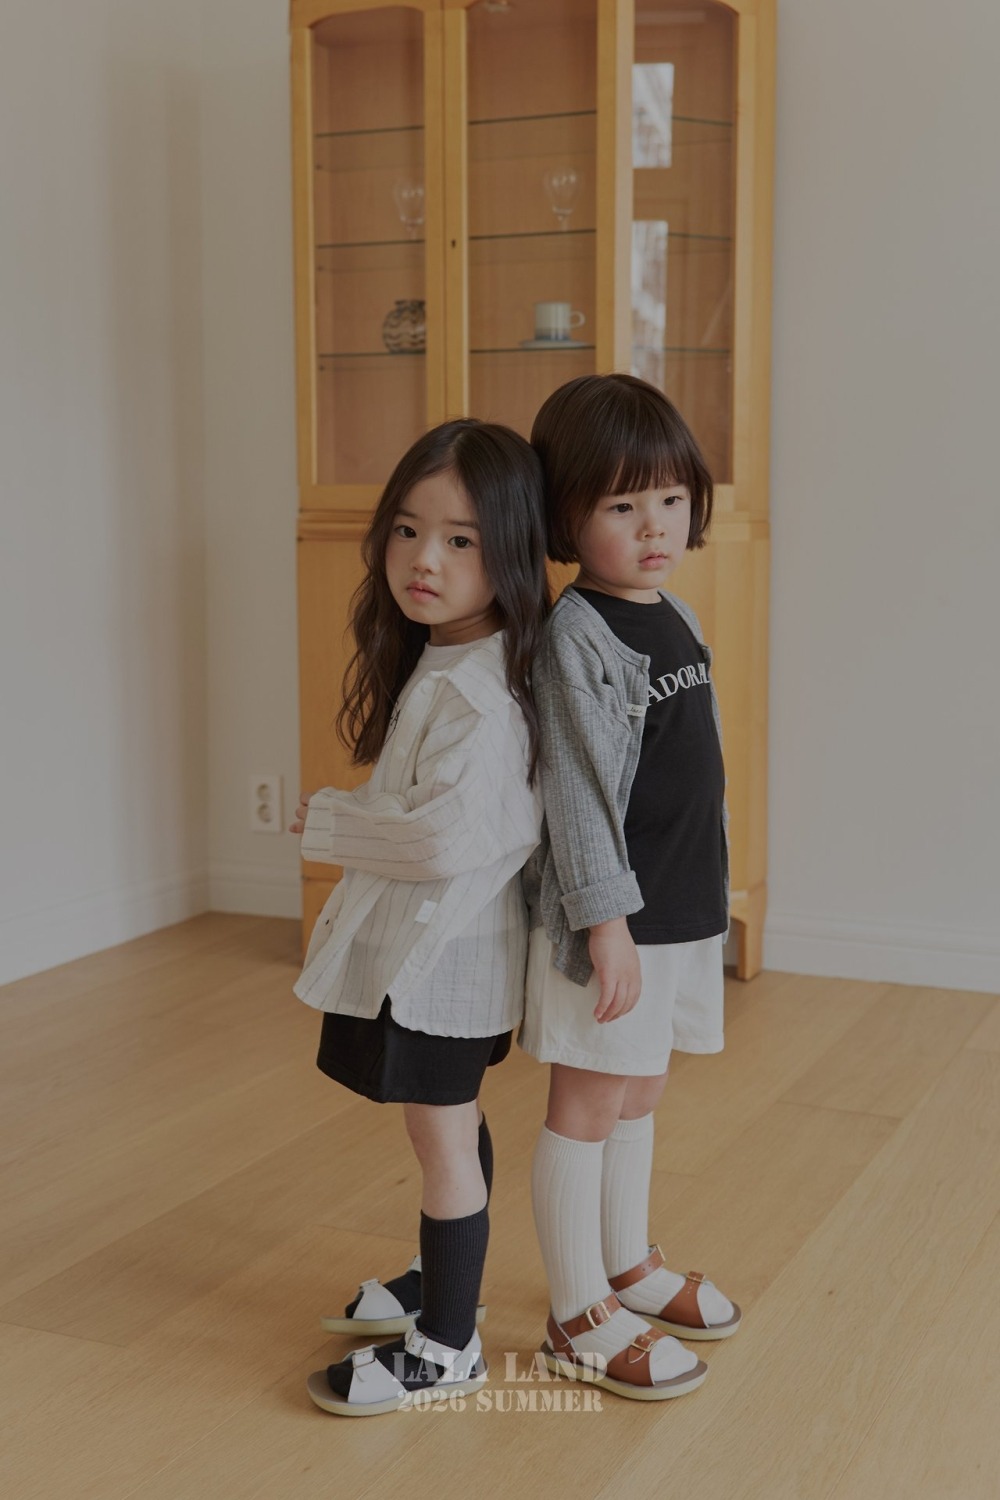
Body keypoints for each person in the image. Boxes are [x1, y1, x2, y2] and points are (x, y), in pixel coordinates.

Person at [290, 419, 549, 1416]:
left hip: (447, 960)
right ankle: (445, 1280)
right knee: (448, 1122)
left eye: (460, 540)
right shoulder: (449, 655)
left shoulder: (479, 691)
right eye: (407, 530)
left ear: (510, 550)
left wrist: (329, 821)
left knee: (441, 1136)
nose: (423, 560)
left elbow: (441, 837)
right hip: (431, 951)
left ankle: (447, 1344)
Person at [520, 373, 741, 1402]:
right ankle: (575, 1313)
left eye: (670, 498)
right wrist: (603, 924)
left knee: (643, 1084)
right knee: (590, 1096)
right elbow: (574, 796)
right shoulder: (576, 638)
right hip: (616, 918)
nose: (655, 526)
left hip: (682, 902)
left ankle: (626, 1264)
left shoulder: (672, 611)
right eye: (621, 505)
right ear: (566, 517)